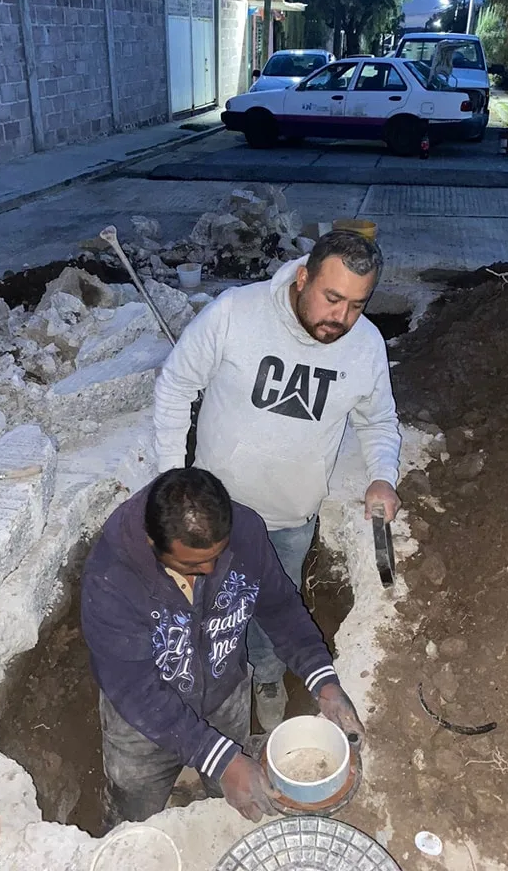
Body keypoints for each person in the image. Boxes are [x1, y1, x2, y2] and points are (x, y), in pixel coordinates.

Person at [154, 231, 401, 730]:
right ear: (303, 277)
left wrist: (382, 477)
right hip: (216, 520)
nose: (341, 318)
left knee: (274, 612)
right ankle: (214, 702)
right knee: (208, 616)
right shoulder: (234, 314)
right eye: (332, 299)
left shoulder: (365, 345)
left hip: (291, 518)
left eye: (356, 305)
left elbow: (378, 421)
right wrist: (170, 483)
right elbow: (175, 387)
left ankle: (267, 678)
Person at [82, 467, 364, 826]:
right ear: (154, 544)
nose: (211, 569)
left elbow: (280, 607)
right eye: (192, 564)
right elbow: (134, 689)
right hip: (143, 722)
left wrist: (322, 680)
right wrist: (220, 757)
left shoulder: (245, 531)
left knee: (233, 796)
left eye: (217, 555)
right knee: (134, 813)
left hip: (224, 694)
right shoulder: (111, 578)